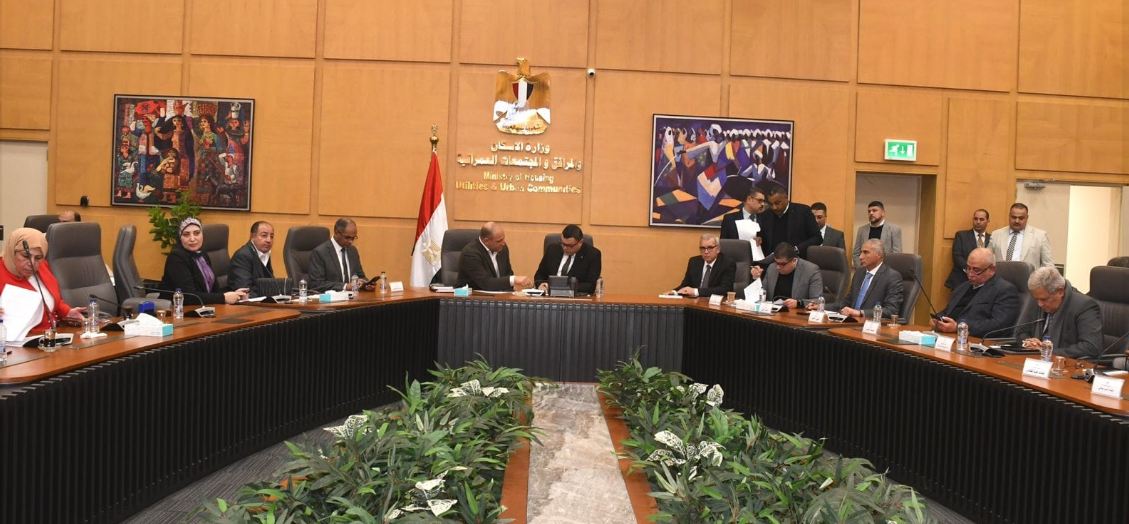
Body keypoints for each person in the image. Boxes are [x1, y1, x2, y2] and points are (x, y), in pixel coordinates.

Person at [0, 228, 85, 334]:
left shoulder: (42, 266)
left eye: (38, 257)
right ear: (12, 251)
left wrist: (67, 312)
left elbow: (53, 299)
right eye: (26, 256)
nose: (31, 263)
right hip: (17, 340)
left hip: (51, 334)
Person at [1016, 266, 1103, 358]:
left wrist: (1046, 350)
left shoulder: (1084, 306)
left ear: (1060, 292)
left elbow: (1091, 347)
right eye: (1036, 299)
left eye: (1044, 299)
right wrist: (1030, 343)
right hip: (1034, 361)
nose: (1039, 304)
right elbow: (1020, 332)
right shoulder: (1038, 296)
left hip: (1065, 363)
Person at [931, 248, 1019, 338]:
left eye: (976, 270)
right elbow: (947, 311)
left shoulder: (1005, 290)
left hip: (975, 340)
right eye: (968, 268)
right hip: (947, 337)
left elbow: (999, 325)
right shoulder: (962, 287)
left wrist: (958, 327)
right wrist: (938, 319)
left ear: (991, 269)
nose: (970, 274)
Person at [159, 218, 248, 305]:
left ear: (202, 235)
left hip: (203, 307)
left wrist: (233, 293)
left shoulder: (202, 255)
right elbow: (189, 296)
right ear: (180, 238)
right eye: (186, 234)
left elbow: (213, 290)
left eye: (197, 233)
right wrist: (223, 298)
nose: (192, 239)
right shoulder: (176, 258)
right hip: (177, 309)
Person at [829, 239, 903, 319]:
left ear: (878, 255)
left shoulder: (892, 277)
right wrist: (822, 306)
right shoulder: (859, 273)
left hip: (871, 323)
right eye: (861, 252)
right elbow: (847, 301)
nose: (860, 257)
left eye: (866, 252)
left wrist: (860, 313)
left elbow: (891, 310)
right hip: (851, 321)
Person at [755, 183, 822, 259]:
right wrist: (759, 238)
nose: (774, 207)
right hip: (771, 261)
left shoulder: (803, 212)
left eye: (777, 203)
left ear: (786, 198)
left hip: (796, 260)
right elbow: (762, 238)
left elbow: (817, 238)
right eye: (770, 204)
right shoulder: (765, 215)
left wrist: (796, 249)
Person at [457, 222, 531, 291]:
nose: (503, 243)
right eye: (499, 241)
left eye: (503, 239)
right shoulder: (470, 253)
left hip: (499, 296)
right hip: (474, 297)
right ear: (486, 240)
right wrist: (513, 279)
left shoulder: (502, 248)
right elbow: (485, 283)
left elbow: (508, 274)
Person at [308, 218, 373, 293]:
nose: (351, 241)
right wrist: (345, 286)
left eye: (353, 238)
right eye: (347, 237)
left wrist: (366, 284)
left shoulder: (353, 251)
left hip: (353, 297)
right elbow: (316, 284)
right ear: (336, 232)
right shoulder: (320, 252)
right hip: (331, 298)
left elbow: (361, 276)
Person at [534, 224, 602, 294]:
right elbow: (539, 275)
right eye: (563, 244)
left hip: (576, 297)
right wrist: (541, 284)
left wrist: (564, 287)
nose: (565, 248)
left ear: (580, 242)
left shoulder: (593, 255)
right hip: (549, 295)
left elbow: (590, 285)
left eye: (570, 246)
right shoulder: (552, 249)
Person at [757, 242, 823, 308]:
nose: (778, 267)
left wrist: (798, 303)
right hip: (772, 311)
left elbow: (817, 301)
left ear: (794, 260)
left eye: (782, 264)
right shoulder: (772, 268)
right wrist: (756, 278)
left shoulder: (811, 270)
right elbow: (761, 293)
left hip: (796, 313)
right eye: (776, 263)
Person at [988, 203, 1053, 269]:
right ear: (1009, 216)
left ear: (1027, 218)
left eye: (1021, 218)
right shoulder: (996, 235)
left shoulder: (1040, 236)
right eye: (1014, 217)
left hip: (1029, 275)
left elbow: (1048, 265)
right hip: (1001, 274)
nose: (1017, 221)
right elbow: (987, 260)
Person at [945, 209, 991, 289]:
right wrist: (972, 271)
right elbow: (957, 256)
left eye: (981, 219)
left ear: (988, 221)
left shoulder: (992, 238)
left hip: (984, 283)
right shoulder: (961, 235)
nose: (978, 222)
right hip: (962, 280)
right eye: (975, 219)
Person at [229, 221, 275, 296]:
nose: (269, 240)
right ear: (253, 236)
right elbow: (245, 290)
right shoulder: (242, 256)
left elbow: (270, 283)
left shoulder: (263, 253)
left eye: (271, 236)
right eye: (264, 235)